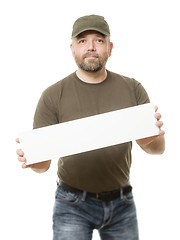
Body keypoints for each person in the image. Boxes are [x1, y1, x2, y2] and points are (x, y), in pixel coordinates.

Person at [16, 14, 165, 240]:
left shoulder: (132, 88)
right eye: (83, 41)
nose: (91, 47)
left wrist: (149, 141)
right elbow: (42, 165)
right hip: (71, 204)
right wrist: (33, 161)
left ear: (110, 48)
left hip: (122, 203)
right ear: (73, 48)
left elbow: (159, 149)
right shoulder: (52, 95)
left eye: (99, 40)